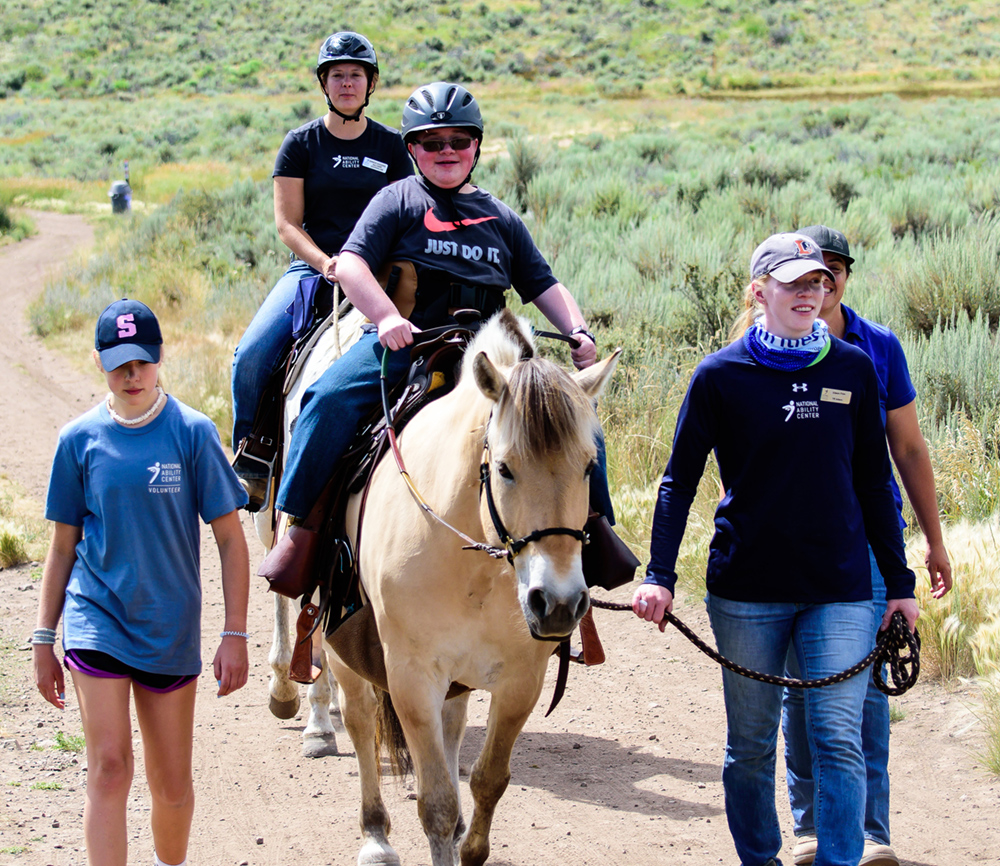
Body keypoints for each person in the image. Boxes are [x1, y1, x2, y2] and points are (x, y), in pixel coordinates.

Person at [633, 233, 919, 866]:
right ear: (760, 291)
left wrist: (899, 585)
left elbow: (876, 480)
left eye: (817, 283)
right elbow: (679, 480)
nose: (809, 294)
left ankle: (840, 860)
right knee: (752, 745)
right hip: (747, 588)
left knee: (838, 738)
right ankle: (760, 858)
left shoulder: (853, 368)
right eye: (793, 284)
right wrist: (659, 575)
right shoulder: (719, 376)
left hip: (840, 587)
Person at [274, 81, 604, 522]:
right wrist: (386, 316)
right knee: (327, 400)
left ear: (476, 146)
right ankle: (299, 529)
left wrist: (576, 331)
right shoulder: (396, 200)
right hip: (407, 342)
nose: (447, 150)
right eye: (432, 142)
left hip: (491, 356)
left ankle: (594, 534)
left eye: (459, 140)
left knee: (573, 416)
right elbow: (351, 265)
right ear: (412, 148)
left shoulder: (502, 218)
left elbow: (544, 284)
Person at [32, 299, 250, 866]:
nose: (132, 375)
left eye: (142, 363)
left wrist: (235, 633)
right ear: (101, 363)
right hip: (95, 619)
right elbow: (61, 548)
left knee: (171, 787)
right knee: (109, 766)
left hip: (168, 628)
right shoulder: (77, 440)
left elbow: (231, 540)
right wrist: (42, 639)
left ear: (159, 359)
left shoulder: (193, 433)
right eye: (119, 364)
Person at [781, 225, 952, 866]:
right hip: (791, 548)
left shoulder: (879, 347)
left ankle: (872, 833)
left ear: (846, 277)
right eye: (806, 273)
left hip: (871, 548)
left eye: (832, 272)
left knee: (868, 692)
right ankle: (809, 828)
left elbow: (907, 448)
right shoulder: (763, 345)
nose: (819, 284)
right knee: (800, 690)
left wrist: (932, 543)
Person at [230, 31, 412, 507]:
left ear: (370, 83)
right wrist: (326, 263)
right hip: (313, 270)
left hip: (379, 273)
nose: (347, 83)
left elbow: (407, 214)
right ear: (324, 84)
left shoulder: (393, 147)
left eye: (356, 75)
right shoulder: (301, 144)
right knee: (249, 355)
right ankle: (253, 455)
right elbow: (287, 224)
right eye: (338, 75)